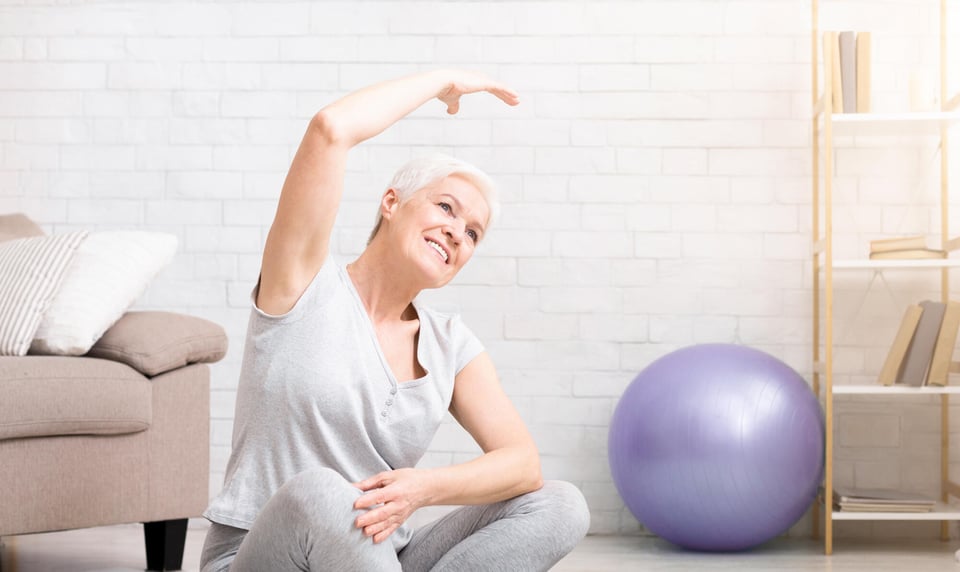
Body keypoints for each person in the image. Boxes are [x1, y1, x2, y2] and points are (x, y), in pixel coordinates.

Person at [200, 69, 590, 572]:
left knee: (559, 504)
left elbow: (521, 464)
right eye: (445, 207)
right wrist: (442, 81)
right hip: (267, 554)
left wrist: (423, 488)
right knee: (326, 492)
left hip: (381, 558)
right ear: (392, 203)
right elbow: (330, 128)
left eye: (473, 233)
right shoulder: (302, 282)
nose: (456, 233)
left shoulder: (449, 344)